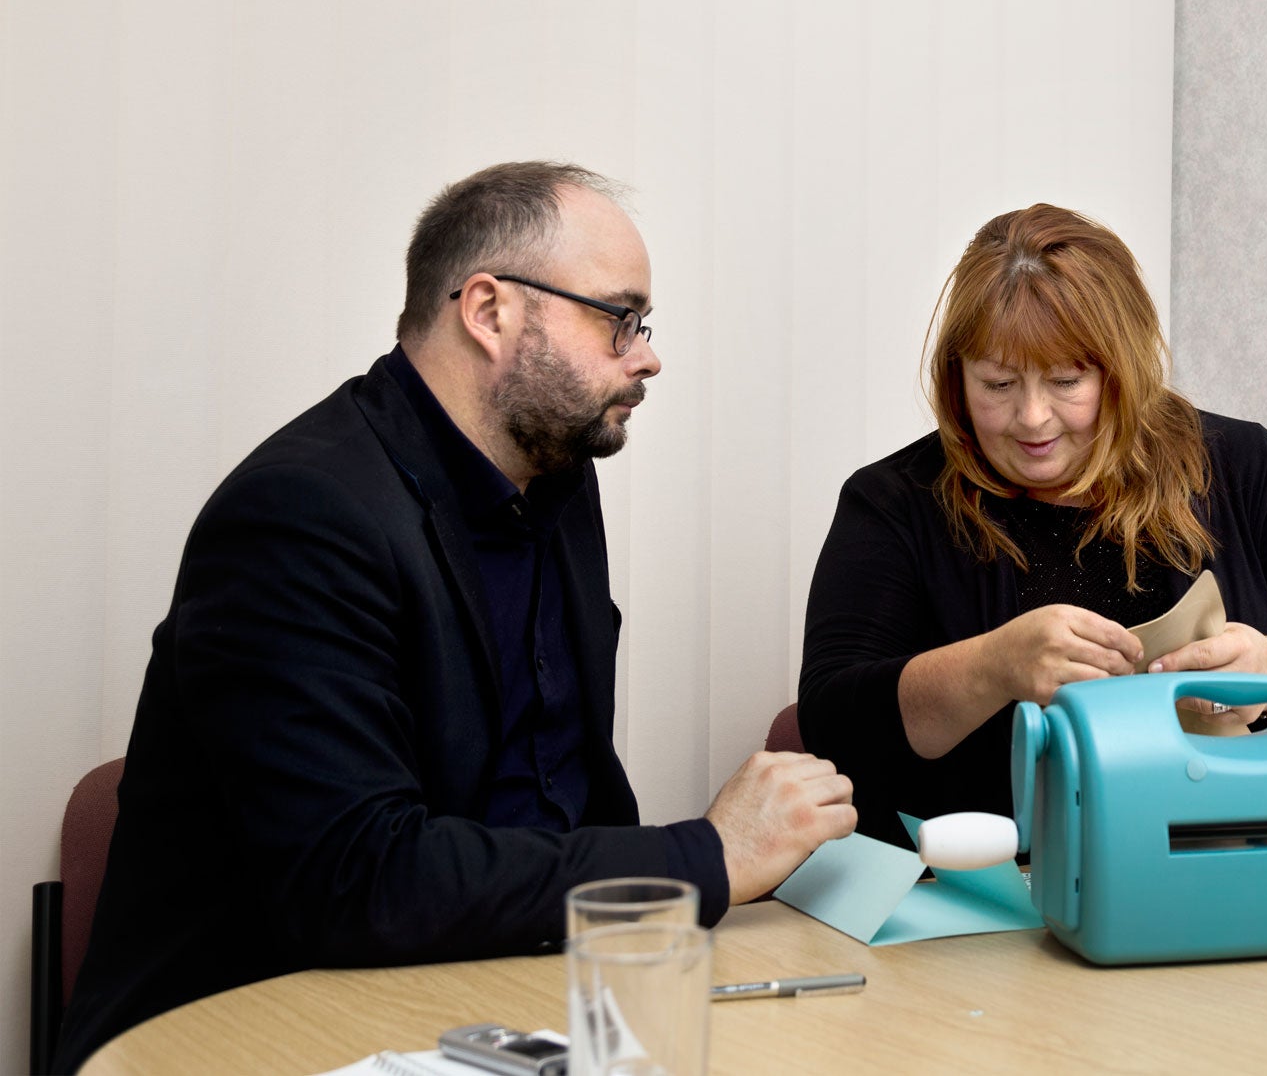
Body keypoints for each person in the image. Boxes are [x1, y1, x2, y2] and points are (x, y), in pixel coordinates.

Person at [56, 162, 857, 1073]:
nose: (647, 354)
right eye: (619, 317)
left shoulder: (554, 472)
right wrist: (703, 858)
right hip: (252, 1033)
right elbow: (359, 876)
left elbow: (568, 792)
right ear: (489, 311)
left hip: (490, 1008)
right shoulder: (300, 514)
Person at [798, 203, 1267, 845]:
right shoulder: (895, 501)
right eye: (998, 384)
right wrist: (993, 667)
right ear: (957, 379)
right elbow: (832, 723)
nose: (1032, 418)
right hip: (982, 900)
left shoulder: (1239, 465)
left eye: (1066, 380)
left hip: (1225, 865)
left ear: (1121, 370)